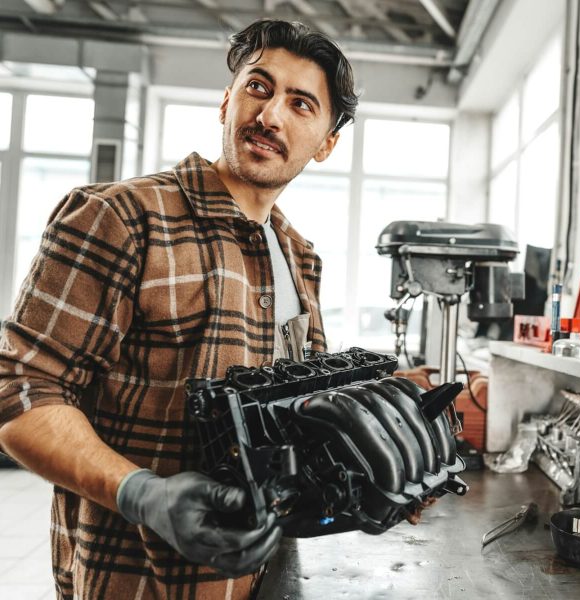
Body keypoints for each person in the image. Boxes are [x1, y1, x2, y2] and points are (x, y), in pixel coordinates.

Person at [0, 19, 361, 600]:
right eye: (259, 87)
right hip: (136, 582)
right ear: (227, 100)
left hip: (260, 580)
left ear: (325, 144)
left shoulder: (300, 258)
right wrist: (143, 493)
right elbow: (20, 389)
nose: (270, 117)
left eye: (301, 104)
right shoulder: (120, 218)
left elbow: (298, 413)